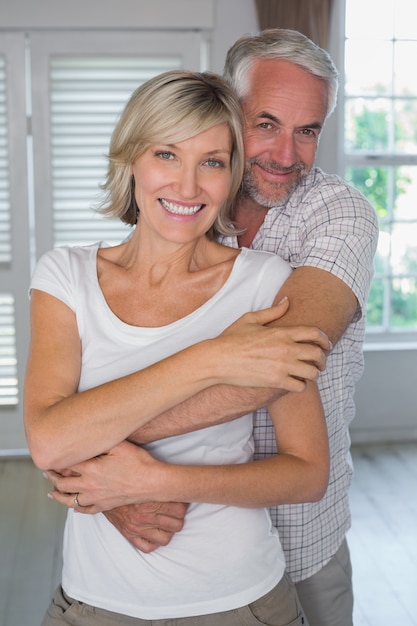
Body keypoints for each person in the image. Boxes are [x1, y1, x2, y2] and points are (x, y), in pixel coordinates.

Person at [45, 29, 379, 626]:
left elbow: (275, 366)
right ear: (226, 107)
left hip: (298, 544)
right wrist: (110, 482)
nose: (285, 153)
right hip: (134, 544)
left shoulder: (332, 217)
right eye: (267, 123)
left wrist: (91, 450)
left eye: (308, 131)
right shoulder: (176, 220)